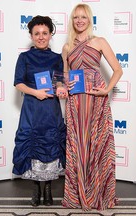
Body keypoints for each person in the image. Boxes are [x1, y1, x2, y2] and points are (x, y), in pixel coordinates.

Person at [61, 4, 123, 211]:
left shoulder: (99, 41)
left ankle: (97, 192)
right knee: (77, 145)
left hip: (96, 100)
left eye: (83, 17)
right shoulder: (67, 47)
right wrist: (64, 83)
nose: (79, 20)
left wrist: (107, 90)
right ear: (72, 20)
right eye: (76, 17)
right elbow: (66, 75)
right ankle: (77, 194)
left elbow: (117, 70)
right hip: (75, 101)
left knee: (95, 143)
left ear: (89, 19)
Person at [12, 15, 68, 207]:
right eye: (37, 33)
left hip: (51, 109)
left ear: (51, 34)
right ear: (31, 35)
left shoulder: (56, 58)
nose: (41, 37)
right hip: (32, 109)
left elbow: (60, 81)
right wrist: (35, 92)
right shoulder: (24, 57)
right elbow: (18, 83)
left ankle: (48, 189)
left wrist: (61, 88)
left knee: (50, 144)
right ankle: (36, 188)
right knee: (34, 145)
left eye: (45, 33)